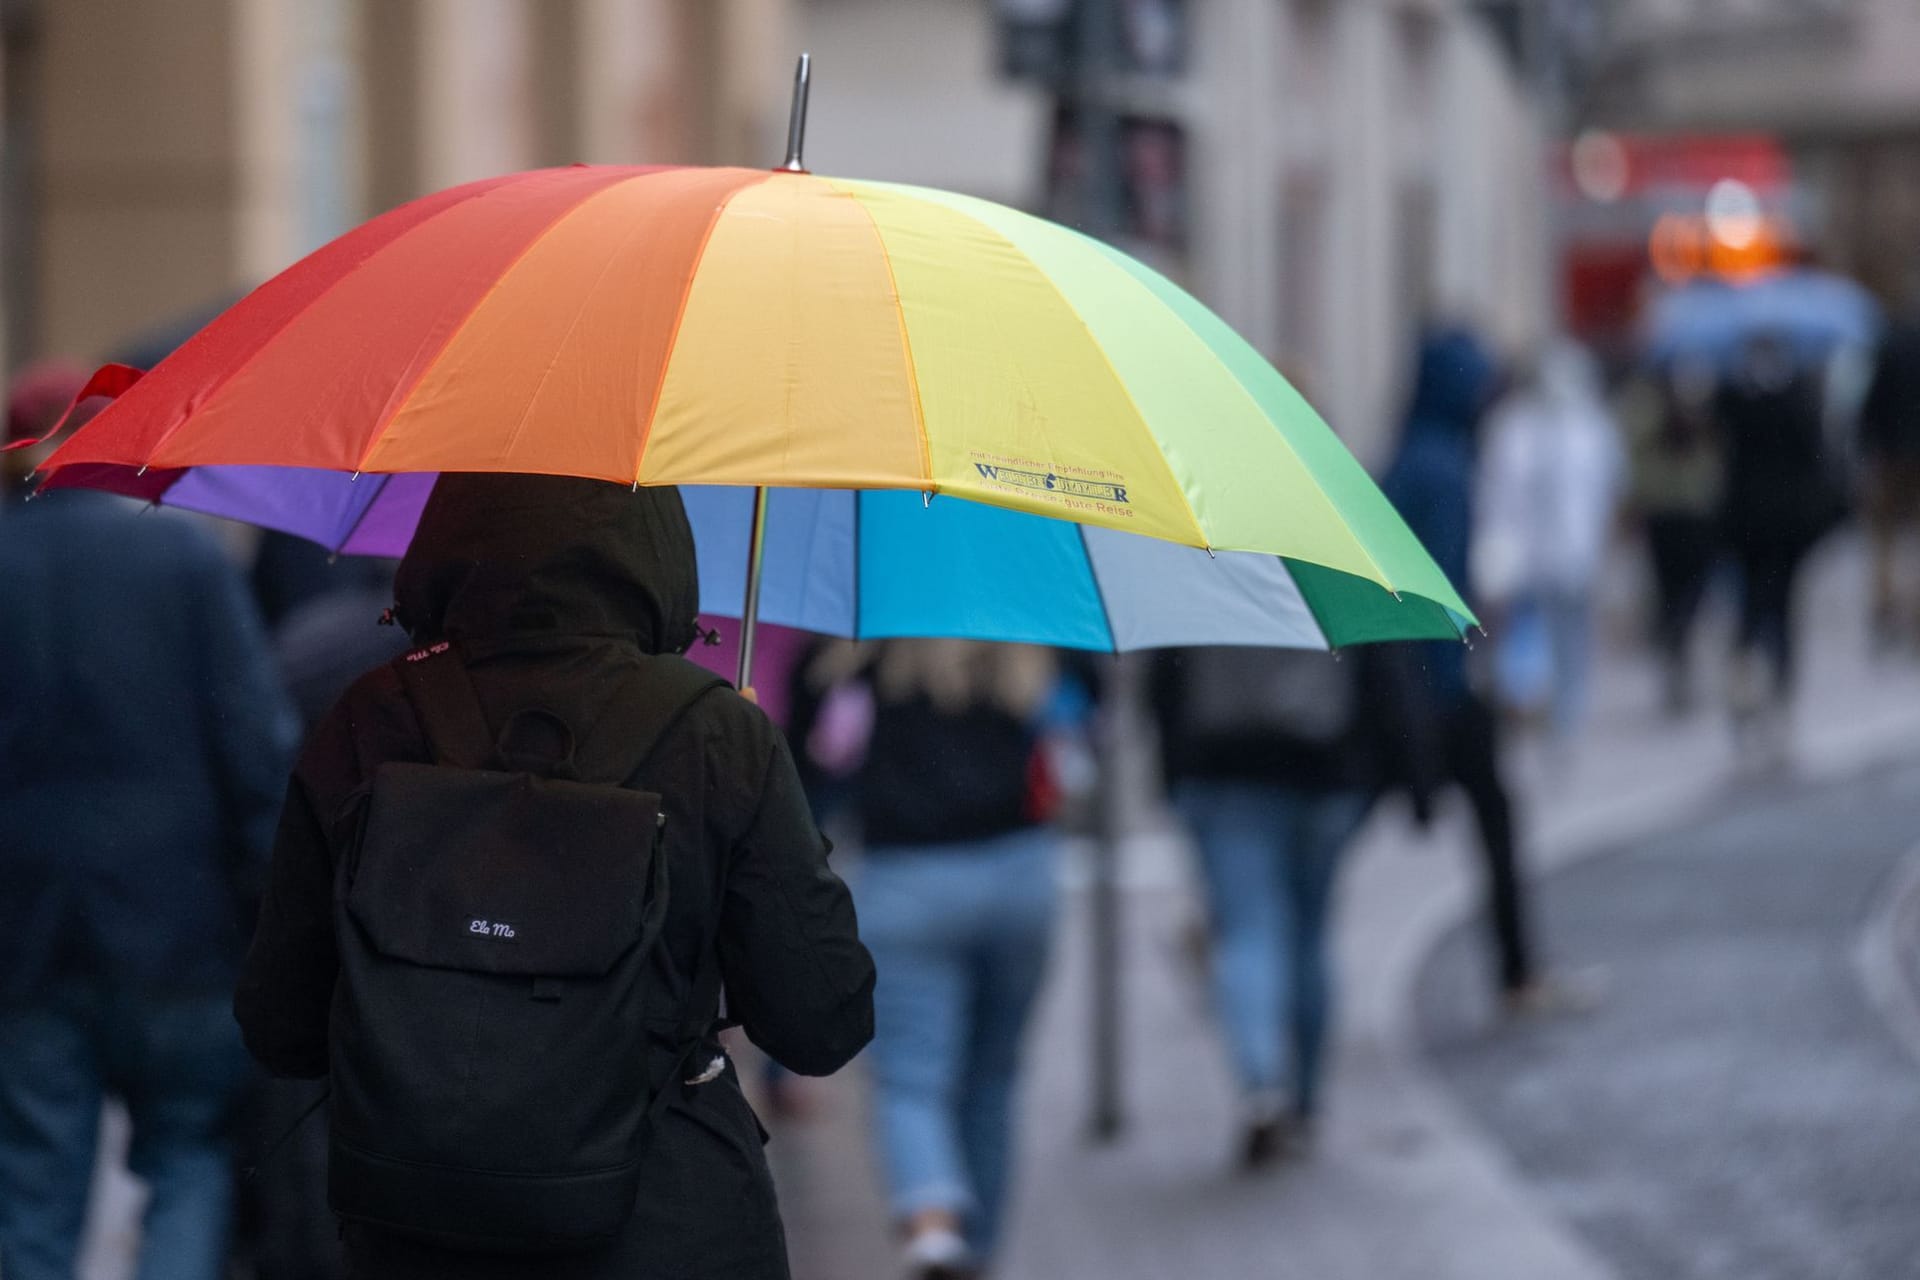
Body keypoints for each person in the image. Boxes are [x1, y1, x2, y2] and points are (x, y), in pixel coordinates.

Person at [233, 473, 874, 1279]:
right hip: (669, 1224)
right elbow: (822, 1023)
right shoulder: (716, 735)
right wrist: (764, 821)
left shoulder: (369, 718)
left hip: (419, 1226)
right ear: (657, 550)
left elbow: (280, 1026)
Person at [0, 363, 298, 1280]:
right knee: (187, 1156)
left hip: (23, 929)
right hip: (182, 926)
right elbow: (257, 749)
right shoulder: (187, 557)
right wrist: (278, 900)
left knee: (34, 1180)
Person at [806, 641, 1070, 1280]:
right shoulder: (1027, 660)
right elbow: (1079, 742)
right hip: (1020, 877)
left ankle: (932, 1226)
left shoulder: (859, 667)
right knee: (993, 1079)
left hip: (908, 884)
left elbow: (822, 770)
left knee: (910, 1076)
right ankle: (980, 1251)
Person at [1379, 327, 1561, 1014]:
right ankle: (1518, 974)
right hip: (1435, 685)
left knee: (1353, 816)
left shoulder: (1404, 456)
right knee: (1496, 818)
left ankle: (1215, 927)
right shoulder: (1446, 469)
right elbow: (1442, 585)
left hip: (1398, 675)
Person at [1149, 645, 1383, 1167]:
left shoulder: (1200, 565)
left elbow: (1167, 676)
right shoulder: (1336, 566)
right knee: (1309, 937)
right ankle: (1304, 1100)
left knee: (1248, 932)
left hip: (1226, 771)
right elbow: (1380, 669)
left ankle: (1260, 1081)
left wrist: (1171, 777)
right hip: (1325, 772)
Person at [1473, 339, 1625, 743]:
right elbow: (1496, 493)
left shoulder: (1591, 430)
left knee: (1572, 637)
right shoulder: (1512, 427)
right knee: (1527, 632)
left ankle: (1566, 713)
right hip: (1526, 558)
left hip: (1576, 553)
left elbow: (1607, 492)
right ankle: (1526, 700)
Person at [1715, 330, 1847, 763]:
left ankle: (1751, 686)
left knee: (1752, 610)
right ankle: (1775, 695)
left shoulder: (1735, 401)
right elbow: (1818, 460)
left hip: (1750, 528)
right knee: (1781, 611)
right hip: (1783, 529)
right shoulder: (1798, 399)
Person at [1619, 356, 1724, 714]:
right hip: (1665, 508)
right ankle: (1674, 642)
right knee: (1670, 587)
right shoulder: (1646, 407)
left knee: (1694, 587)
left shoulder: (1703, 405)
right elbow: (1634, 455)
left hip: (1693, 508)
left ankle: (1677, 636)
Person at [1858, 303, 1920, 654]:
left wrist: (1873, 446)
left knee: (1885, 538)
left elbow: (1870, 406)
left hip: (1890, 457)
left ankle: (1887, 607)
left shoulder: (1889, 350)